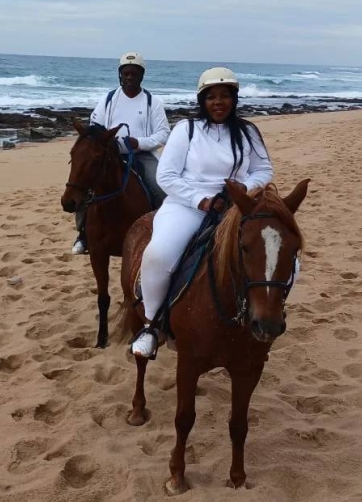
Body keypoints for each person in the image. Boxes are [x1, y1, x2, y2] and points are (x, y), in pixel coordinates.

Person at [130, 67, 276, 358]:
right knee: (158, 256)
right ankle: (151, 324)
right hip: (187, 206)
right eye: (211, 97)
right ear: (202, 100)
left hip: (237, 208)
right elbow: (166, 175)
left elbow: (264, 170)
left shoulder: (248, 131)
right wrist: (202, 200)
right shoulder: (187, 129)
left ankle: (269, 310)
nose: (218, 102)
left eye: (224, 96)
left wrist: (243, 188)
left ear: (234, 99)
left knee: (279, 257)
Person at [71, 52, 171, 255]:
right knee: (83, 185)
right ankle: (83, 235)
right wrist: (104, 142)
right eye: (126, 73)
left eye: (134, 73)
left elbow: (163, 134)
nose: (129, 77)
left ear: (141, 75)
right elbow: (95, 126)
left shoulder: (153, 102)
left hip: (142, 155)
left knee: (161, 187)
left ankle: (165, 231)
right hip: (109, 156)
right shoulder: (108, 99)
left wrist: (139, 143)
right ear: (120, 75)